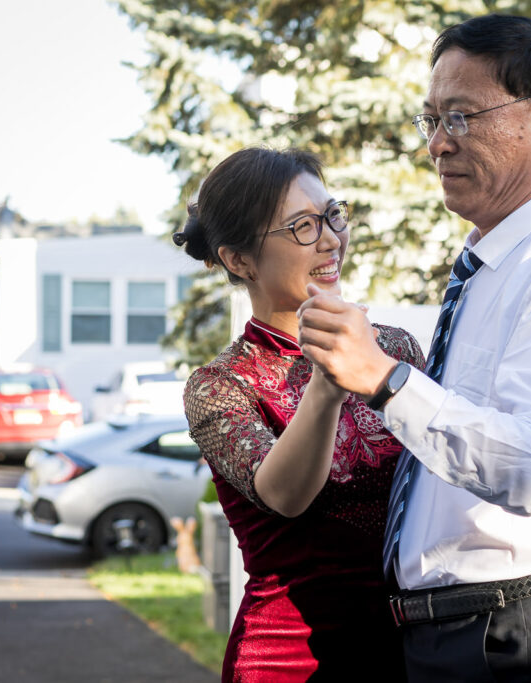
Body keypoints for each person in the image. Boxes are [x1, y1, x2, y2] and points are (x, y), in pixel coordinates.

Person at [297, 14, 531, 682]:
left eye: (459, 117)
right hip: (473, 632)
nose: (436, 144)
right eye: (429, 120)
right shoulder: (489, 268)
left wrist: (388, 380)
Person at [175, 147, 422, 681]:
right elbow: (283, 497)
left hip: (414, 645)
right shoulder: (220, 385)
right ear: (240, 260)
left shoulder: (397, 349)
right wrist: (325, 388)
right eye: (302, 226)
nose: (332, 238)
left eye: (333, 215)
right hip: (289, 658)